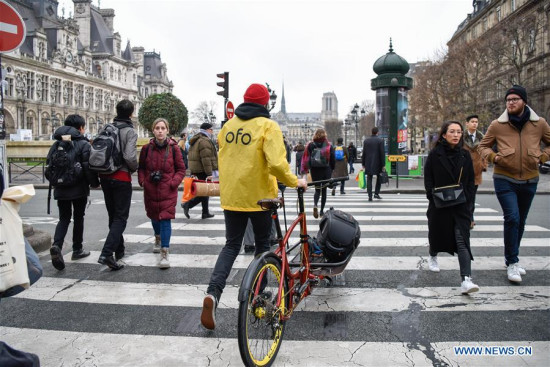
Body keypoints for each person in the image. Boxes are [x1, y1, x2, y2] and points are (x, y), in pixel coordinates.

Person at [200, 83, 307, 330]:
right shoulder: (268, 126)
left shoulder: (227, 127)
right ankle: (257, 297)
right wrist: (295, 181)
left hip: (232, 196)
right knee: (263, 247)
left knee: (231, 246)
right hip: (260, 198)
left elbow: (224, 160)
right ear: (265, 103)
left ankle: (212, 294)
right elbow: (277, 164)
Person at [479, 85, 550, 283]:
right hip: (504, 178)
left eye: (515, 99)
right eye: (508, 100)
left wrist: (542, 157)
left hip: (530, 179)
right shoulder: (497, 124)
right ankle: (512, 262)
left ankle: (512, 256)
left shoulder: (540, 124)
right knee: (512, 218)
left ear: (524, 101)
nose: (510, 102)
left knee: (521, 221)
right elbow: (482, 146)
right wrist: (494, 157)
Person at [424, 120, 478, 294]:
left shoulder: (465, 155)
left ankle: (466, 279)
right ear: (444, 134)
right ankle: (433, 255)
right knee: (436, 236)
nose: (456, 135)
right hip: (440, 205)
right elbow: (428, 179)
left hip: (460, 205)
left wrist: (468, 201)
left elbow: (470, 181)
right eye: (452, 132)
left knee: (462, 240)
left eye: (459, 132)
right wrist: (432, 197)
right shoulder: (434, 155)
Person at [48, 114, 99, 271]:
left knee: (64, 218)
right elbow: (88, 167)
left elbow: (49, 165)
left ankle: (57, 245)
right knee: (78, 217)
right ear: (81, 128)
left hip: (60, 188)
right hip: (78, 188)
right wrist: (94, 183)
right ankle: (77, 249)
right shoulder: (83, 144)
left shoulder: (56, 144)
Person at [138, 118, 186, 268]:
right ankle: (157, 237)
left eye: (162, 128)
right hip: (151, 188)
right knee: (154, 217)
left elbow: (181, 169)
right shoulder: (146, 148)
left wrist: (173, 182)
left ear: (167, 130)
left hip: (168, 189)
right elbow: (141, 168)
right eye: (157, 128)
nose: (160, 130)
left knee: (165, 219)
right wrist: (143, 181)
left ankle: (165, 251)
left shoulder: (174, 148)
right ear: (153, 130)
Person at [97, 99, 138, 271]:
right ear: (131, 113)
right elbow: (129, 156)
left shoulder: (106, 128)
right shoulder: (130, 131)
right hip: (121, 177)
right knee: (121, 217)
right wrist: (135, 167)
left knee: (112, 215)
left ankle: (119, 250)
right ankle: (107, 253)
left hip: (105, 176)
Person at [182, 122, 218, 219]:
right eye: (211, 129)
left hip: (197, 169)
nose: (212, 131)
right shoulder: (204, 141)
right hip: (202, 169)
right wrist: (209, 173)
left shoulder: (197, 139)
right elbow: (206, 158)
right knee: (205, 192)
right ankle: (188, 205)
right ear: (207, 130)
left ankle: (205, 212)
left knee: (205, 192)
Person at [301, 128, 335, 218]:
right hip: (325, 170)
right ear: (325, 135)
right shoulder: (328, 145)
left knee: (317, 190)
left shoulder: (311, 145)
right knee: (324, 191)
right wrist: (332, 169)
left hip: (315, 170)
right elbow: (332, 159)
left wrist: (306, 170)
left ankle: (315, 204)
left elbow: (306, 158)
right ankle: (321, 212)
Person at [462, 114, 487, 229]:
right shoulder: (461, 137)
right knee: (463, 196)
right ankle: (464, 217)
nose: (474, 123)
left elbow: (486, 152)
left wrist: (484, 165)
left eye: (476, 122)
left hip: (476, 171)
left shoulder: (482, 137)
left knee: (472, 197)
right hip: (463, 171)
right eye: (472, 121)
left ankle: (470, 218)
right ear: (467, 123)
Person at [362, 127, 386, 201]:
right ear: (377, 132)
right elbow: (382, 153)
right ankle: (376, 193)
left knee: (369, 178)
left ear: (372, 132)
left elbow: (364, 153)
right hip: (378, 162)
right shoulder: (380, 141)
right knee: (379, 178)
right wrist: (383, 164)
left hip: (368, 162)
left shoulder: (366, 141)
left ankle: (369, 196)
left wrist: (363, 163)